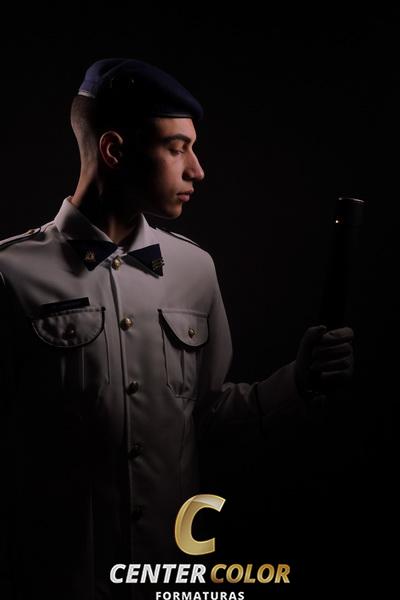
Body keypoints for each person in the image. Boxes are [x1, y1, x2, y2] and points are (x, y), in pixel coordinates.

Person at [0, 58, 354, 600]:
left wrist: (298, 382)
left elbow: (205, 415)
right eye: (176, 147)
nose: (197, 170)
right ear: (115, 150)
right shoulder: (9, 275)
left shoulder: (195, 270)